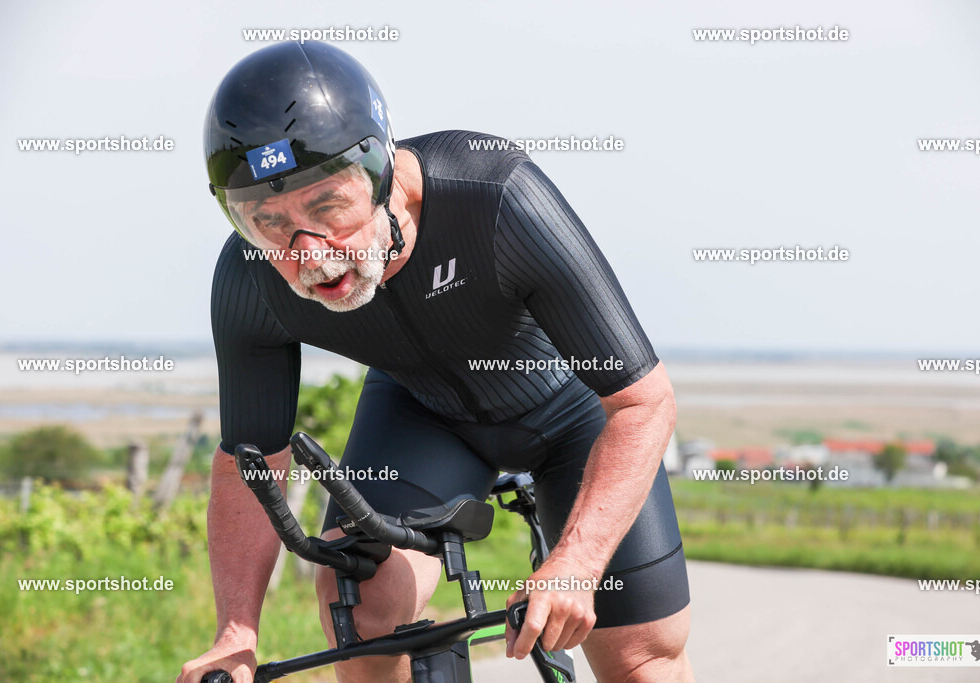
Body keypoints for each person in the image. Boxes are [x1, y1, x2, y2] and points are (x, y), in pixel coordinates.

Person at [179, 40, 692, 683]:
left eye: (328, 207)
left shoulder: (496, 197)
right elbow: (250, 459)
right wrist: (236, 634)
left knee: (639, 656)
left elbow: (645, 402)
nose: (308, 252)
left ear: (382, 172)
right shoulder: (250, 278)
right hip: (424, 416)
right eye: (266, 221)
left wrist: (577, 565)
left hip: (578, 418)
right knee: (360, 615)